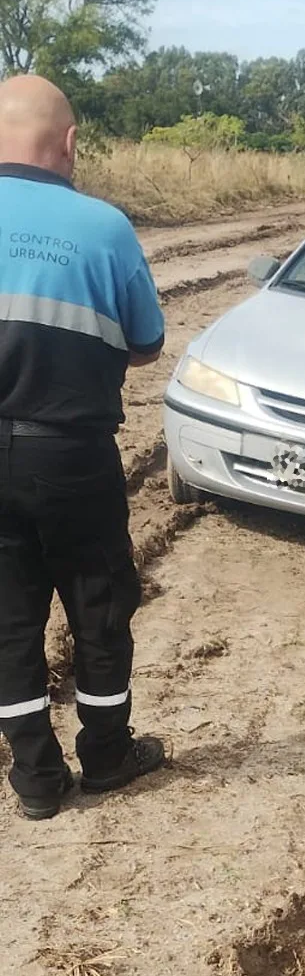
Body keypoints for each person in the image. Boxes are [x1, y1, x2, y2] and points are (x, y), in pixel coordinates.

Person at [0, 75, 166, 820]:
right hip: (71, 455)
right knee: (98, 607)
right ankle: (106, 757)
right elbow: (147, 342)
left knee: (7, 620)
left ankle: (36, 780)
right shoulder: (105, 228)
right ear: (68, 143)